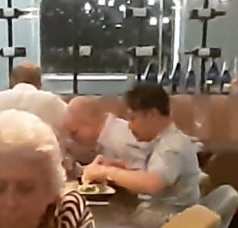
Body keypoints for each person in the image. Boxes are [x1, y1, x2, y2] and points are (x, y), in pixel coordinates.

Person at [84, 82, 203, 211]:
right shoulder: (163, 141)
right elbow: (149, 176)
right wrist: (118, 167)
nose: (129, 126)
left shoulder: (172, 146)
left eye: (133, 118)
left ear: (152, 115)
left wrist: (106, 172)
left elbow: (151, 184)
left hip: (170, 218)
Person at [0, 61, 67, 147]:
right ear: (39, 83)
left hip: (0, 161)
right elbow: (70, 131)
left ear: (12, 81)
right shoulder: (53, 102)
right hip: (43, 160)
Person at [60, 94, 114, 173]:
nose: (73, 139)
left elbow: (133, 174)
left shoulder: (116, 140)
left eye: (74, 133)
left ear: (90, 123)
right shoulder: (106, 136)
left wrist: (106, 172)